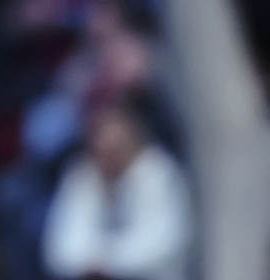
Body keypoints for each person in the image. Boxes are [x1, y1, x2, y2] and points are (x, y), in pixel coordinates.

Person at [41, 95, 192, 280]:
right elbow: (60, 251)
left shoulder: (158, 173)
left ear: (132, 141)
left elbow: (164, 243)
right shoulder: (83, 175)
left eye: (115, 150)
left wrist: (105, 262)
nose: (108, 158)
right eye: (101, 151)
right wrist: (95, 263)